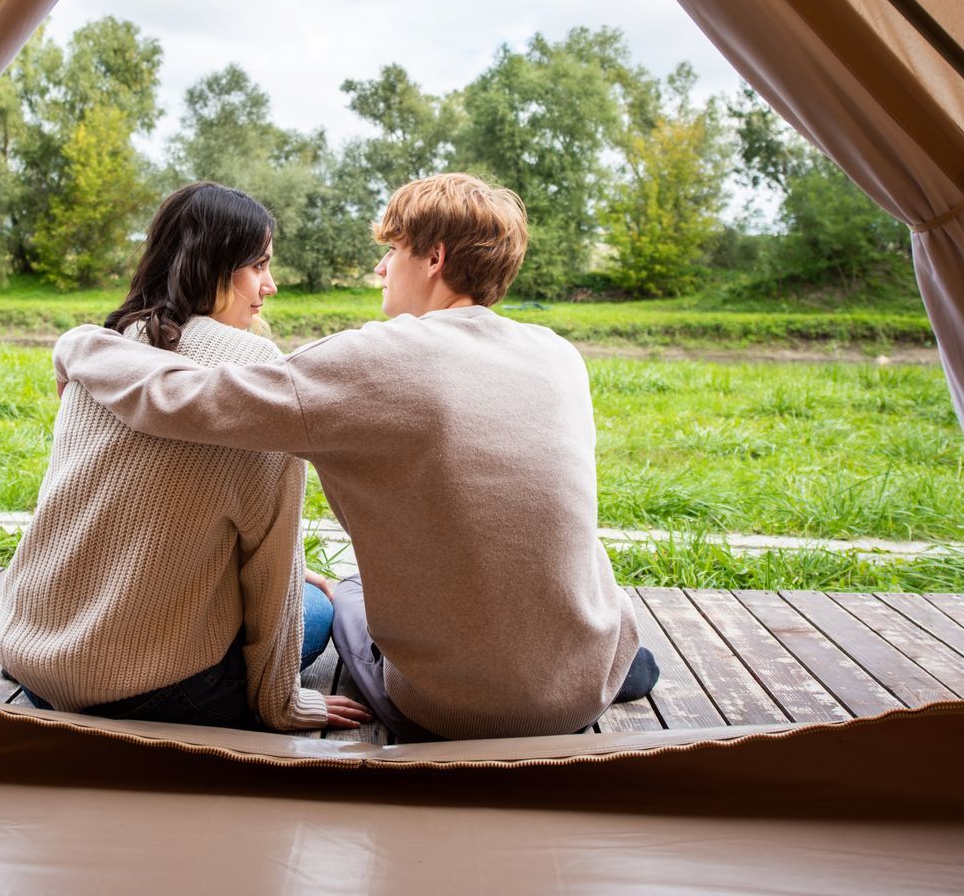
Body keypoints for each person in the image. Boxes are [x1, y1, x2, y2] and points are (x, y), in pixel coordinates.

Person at [54, 172, 657, 742]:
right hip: (584, 681)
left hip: (448, 710)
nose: (381, 266)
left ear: (434, 258)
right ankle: (605, 660)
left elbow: (182, 395)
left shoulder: (377, 359)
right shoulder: (558, 355)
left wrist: (83, 345)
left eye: (392, 249)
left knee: (344, 598)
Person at [0, 182, 371, 733]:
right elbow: (269, 572)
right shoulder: (259, 375)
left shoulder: (108, 343)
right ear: (215, 265)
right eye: (258, 266)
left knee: (301, 583)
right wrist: (284, 704)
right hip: (147, 693)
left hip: (36, 661)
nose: (269, 286)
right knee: (320, 608)